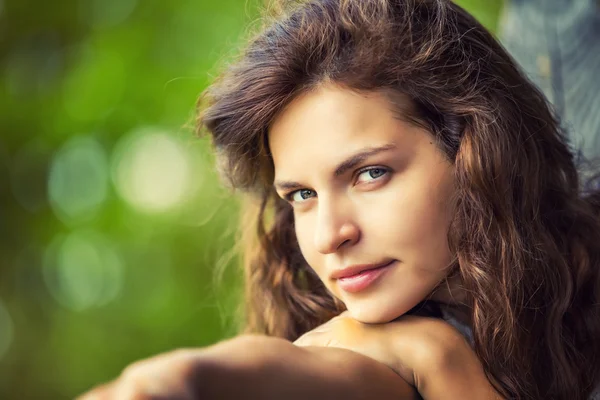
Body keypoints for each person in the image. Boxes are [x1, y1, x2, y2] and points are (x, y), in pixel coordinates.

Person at [78, 0, 600, 399]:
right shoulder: (392, 337)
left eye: (371, 173)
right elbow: (309, 372)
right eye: (302, 194)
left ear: (474, 151)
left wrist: (445, 365)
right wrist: (180, 379)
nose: (331, 235)